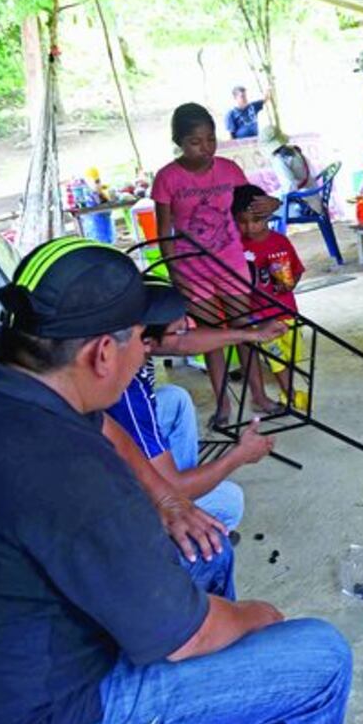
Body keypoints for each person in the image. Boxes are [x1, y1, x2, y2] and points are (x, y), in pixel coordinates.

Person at [0, 237, 352, 724]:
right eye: (143, 340)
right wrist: (259, 618)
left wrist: (168, 501)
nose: (148, 351)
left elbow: (102, 426)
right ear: (103, 352)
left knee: (209, 548)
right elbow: (188, 638)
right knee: (318, 657)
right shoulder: (73, 474)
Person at [153, 102, 284, 429]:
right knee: (213, 338)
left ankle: (259, 396)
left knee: (246, 330)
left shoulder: (229, 170)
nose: (206, 148)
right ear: (179, 142)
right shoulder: (167, 179)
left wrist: (273, 203)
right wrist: (175, 273)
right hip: (192, 270)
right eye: (195, 142)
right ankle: (223, 406)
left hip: (231, 263)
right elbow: (163, 232)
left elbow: (253, 206)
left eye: (211, 139)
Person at [105, 309, 286, 541]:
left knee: (175, 398)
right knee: (230, 501)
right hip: (117, 494)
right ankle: (186, 524)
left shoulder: (133, 341)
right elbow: (169, 492)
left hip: (117, 454)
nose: (187, 335)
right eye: (179, 331)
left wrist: (252, 335)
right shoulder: (129, 395)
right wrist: (239, 455)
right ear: (148, 342)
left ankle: (189, 486)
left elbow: (183, 342)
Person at [234, 184, 310, 411]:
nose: (249, 227)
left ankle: (289, 391)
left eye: (256, 220)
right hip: (259, 318)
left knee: (291, 355)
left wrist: (289, 284)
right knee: (277, 360)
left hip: (286, 311)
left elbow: (296, 270)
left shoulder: (280, 242)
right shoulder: (236, 247)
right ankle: (289, 393)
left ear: (267, 216)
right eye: (243, 222)